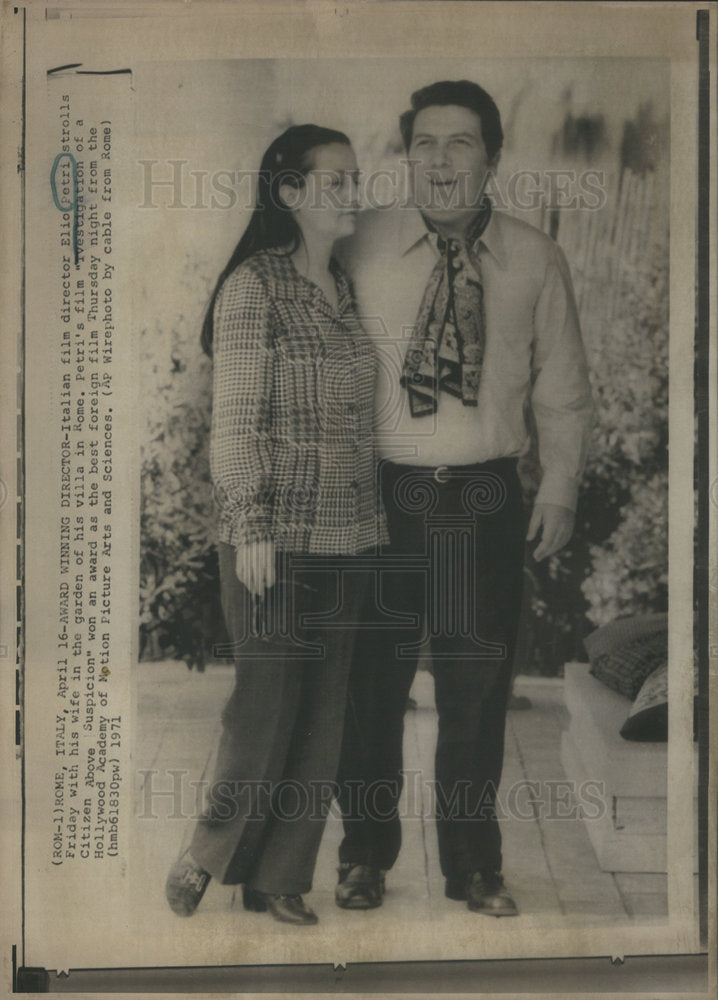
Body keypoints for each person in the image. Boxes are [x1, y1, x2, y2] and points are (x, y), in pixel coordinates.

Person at [334, 81, 593, 916]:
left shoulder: (533, 257)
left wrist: (558, 487)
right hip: (380, 497)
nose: (441, 161)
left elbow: (564, 391)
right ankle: (364, 855)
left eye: (462, 143)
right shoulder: (358, 244)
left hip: (483, 499)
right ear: (405, 153)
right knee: (370, 685)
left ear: (493, 158)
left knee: (475, 691)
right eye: (425, 143)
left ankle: (475, 866)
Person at [165, 124, 386, 926]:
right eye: (335, 181)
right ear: (289, 194)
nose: (351, 192)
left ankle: (280, 878)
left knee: (325, 714)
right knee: (265, 706)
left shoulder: (342, 289)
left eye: (354, 179)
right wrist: (250, 525)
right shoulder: (255, 288)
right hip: (274, 538)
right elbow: (235, 422)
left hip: (350, 535)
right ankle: (206, 853)